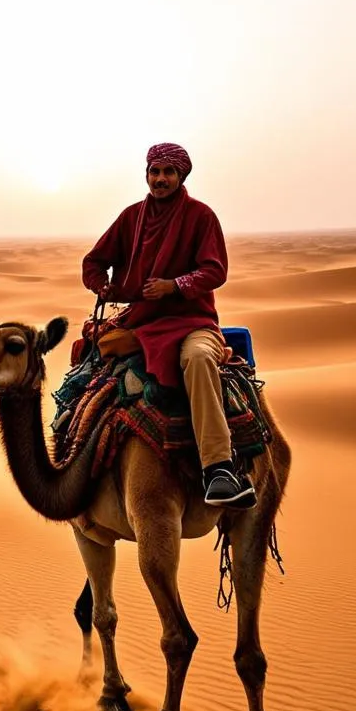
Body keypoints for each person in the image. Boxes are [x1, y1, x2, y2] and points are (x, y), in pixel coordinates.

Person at [81, 142, 255, 507]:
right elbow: (94, 262)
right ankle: (76, 458)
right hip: (141, 320)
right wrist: (104, 286)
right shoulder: (131, 217)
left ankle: (218, 468)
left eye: (168, 173)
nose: (160, 179)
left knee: (197, 359)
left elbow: (215, 270)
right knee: (89, 356)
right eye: (154, 172)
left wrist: (175, 286)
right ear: (146, 175)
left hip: (192, 321)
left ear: (181, 176)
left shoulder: (201, 217)